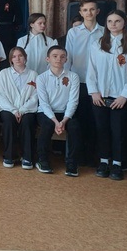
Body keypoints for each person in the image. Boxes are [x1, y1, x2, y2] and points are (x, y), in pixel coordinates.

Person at [87, 10, 127, 181]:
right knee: (102, 130)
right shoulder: (98, 43)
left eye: (117, 21)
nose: (113, 24)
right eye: (110, 21)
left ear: (124, 23)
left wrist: (125, 95)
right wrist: (94, 91)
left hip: (120, 97)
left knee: (118, 131)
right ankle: (103, 162)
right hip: (99, 96)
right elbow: (91, 69)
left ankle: (117, 164)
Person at [65, 0, 104, 167]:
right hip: (78, 81)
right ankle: (77, 157)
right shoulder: (73, 32)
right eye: (85, 10)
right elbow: (68, 57)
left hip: (98, 84)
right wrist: (67, 79)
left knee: (95, 121)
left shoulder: (104, 32)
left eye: (92, 9)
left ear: (98, 11)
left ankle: (93, 156)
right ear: (81, 12)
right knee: (79, 120)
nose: (89, 13)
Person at [36, 46, 80, 176]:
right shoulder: (41, 78)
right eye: (55, 56)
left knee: (75, 127)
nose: (58, 59)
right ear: (48, 59)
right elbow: (44, 103)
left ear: (66, 59)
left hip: (66, 112)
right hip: (46, 112)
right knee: (47, 125)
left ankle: (72, 163)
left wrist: (64, 120)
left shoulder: (73, 77)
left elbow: (73, 101)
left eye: (62, 56)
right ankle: (43, 160)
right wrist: (55, 121)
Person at [0, 47, 39, 169]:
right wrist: (14, 110)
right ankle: (9, 156)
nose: (17, 59)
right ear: (11, 59)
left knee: (27, 122)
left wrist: (22, 110)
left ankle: (27, 157)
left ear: (25, 58)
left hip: (27, 109)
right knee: (9, 122)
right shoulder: (4, 73)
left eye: (20, 56)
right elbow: (2, 95)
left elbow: (35, 96)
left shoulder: (33, 74)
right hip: (8, 109)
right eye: (14, 56)